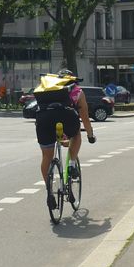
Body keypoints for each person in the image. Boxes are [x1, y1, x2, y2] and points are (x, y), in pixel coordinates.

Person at [34, 69, 96, 209]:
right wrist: (90, 135)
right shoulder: (77, 91)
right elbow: (85, 118)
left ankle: (49, 191)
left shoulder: (46, 89)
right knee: (76, 135)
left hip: (43, 119)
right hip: (66, 118)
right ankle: (72, 165)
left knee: (46, 156)